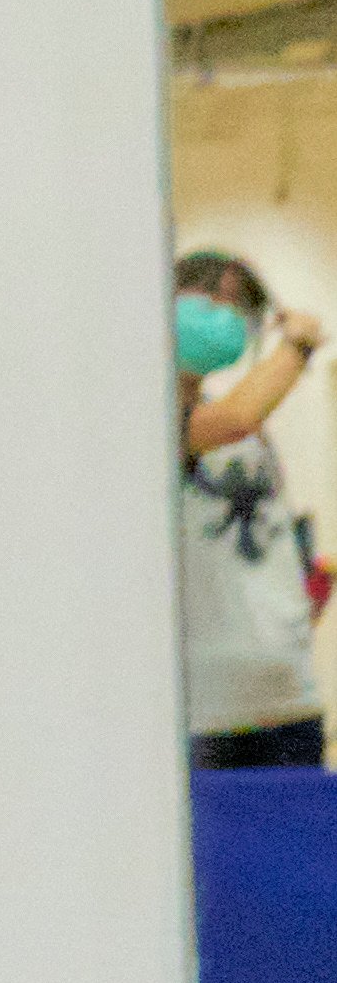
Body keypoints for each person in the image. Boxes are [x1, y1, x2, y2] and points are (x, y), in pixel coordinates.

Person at [179, 252, 326, 768]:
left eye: (237, 304)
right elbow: (236, 418)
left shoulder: (241, 424)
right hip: (209, 711)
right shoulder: (152, 418)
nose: (223, 311)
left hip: (288, 694)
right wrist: (299, 343)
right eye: (208, 294)